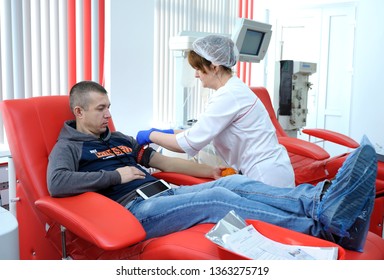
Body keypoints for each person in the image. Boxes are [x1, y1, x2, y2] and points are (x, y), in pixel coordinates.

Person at [47, 80, 377, 252]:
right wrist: (115, 175)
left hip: (165, 193)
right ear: (79, 112)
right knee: (219, 203)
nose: (108, 114)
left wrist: (213, 174)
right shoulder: (69, 147)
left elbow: (161, 161)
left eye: (109, 107)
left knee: (233, 186)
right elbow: (57, 184)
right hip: (134, 211)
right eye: (101, 108)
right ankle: (322, 230)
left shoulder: (117, 137)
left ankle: (321, 201)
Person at [136, 34, 295, 188]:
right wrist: (168, 131)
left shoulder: (228, 96)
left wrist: (150, 135)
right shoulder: (234, 89)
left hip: (265, 177)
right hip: (269, 168)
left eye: (199, 68)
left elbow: (187, 143)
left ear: (214, 67)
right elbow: (200, 131)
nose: (196, 75)